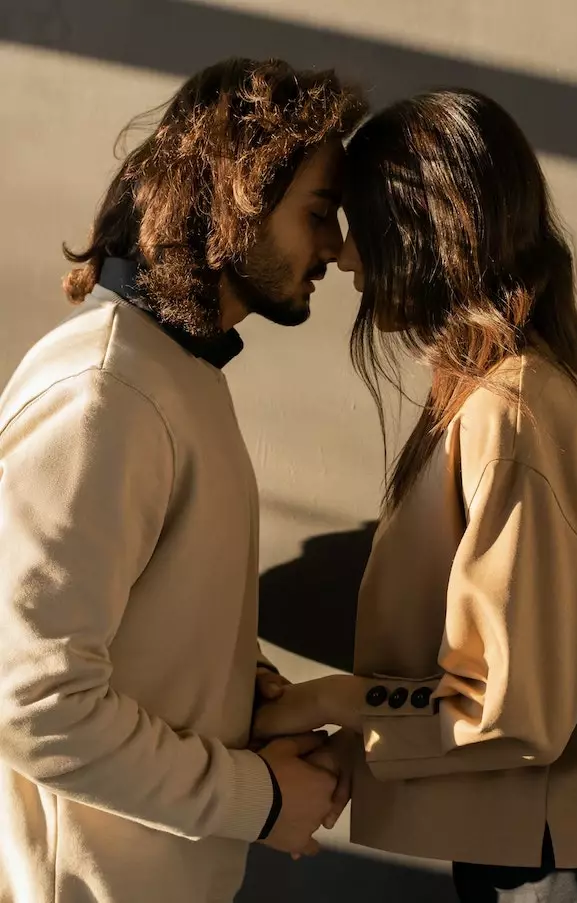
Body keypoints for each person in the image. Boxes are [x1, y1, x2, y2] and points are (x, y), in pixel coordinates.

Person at [254, 89, 577, 901]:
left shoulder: (510, 411)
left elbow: (511, 708)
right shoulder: (500, 396)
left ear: (421, 231)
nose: (346, 257)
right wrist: (353, 742)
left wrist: (331, 699)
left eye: (359, 223)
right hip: (533, 837)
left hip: (551, 858)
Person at [0, 58, 366, 903]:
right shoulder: (108, 392)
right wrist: (258, 798)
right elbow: (30, 699)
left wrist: (259, 700)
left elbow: (150, 632)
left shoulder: (173, 376)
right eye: (318, 213)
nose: (337, 246)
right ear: (237, 195)